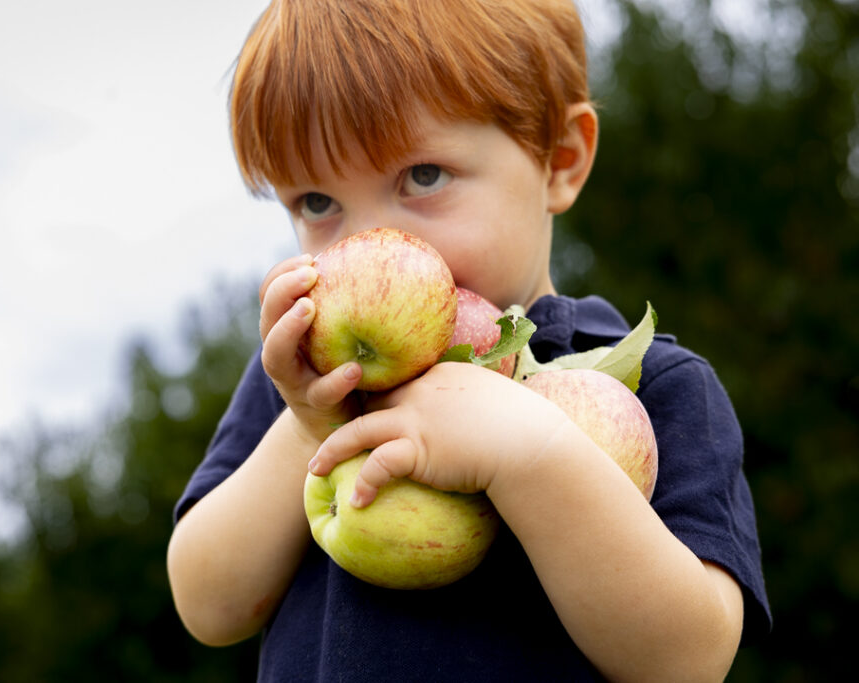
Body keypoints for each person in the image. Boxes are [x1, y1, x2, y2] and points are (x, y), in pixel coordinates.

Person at [166, 1, 771, 680]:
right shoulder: (307, 377)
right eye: (315, 202)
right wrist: (309, 428)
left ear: (560, 160)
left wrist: (529, 454)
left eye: (422, 177)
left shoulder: (649, 383)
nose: (367, 242)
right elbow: (208, 603)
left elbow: (688, 659)